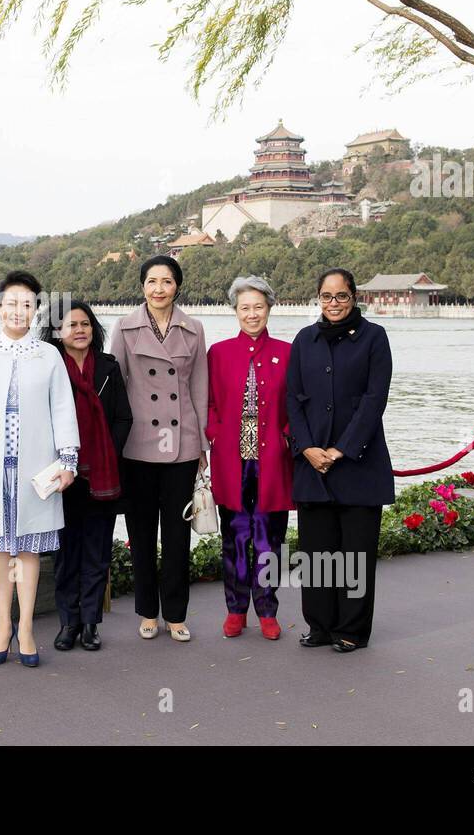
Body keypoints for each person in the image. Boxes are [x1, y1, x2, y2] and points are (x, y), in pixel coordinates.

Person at [0, 270, 79, 668]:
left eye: (27, 304)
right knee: (0, 548)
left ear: (36, 310)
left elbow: (62, 410)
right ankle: (2, 625)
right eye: (11, 303)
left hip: (35, 469)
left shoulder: (49, 355)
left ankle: (25, 627)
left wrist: (68, 460)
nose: (18, 311)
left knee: (26, 546)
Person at [286, 268, 395, 652]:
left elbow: (373, 400)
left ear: (354, 297)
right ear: (318, 298)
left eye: (341, 296)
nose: (334, 304)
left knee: (355, 553)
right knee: (316, 551)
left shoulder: (374, 338)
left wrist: (341, 449)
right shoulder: (304, 340)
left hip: (359, 463)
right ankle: (319, 625)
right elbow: (292, 400)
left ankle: (351, 629)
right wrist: (306, 447)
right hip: (311, 462)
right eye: (327, 297)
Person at [109, 255, 208, 642]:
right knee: (142, 533)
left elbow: (199, 387)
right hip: (138, 446)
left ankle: (177, 615)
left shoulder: (194, 329)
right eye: (152, 281)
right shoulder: (125, 327)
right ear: (142, 286)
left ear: (177, 286)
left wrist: (201, 443)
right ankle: (148, 611)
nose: (159, 288)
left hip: (181, 446)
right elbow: (115, 385)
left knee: (178, 536)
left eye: (166, 281)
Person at [207, 276, 292, 641]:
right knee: (235, 536)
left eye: (258, 306)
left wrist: (288, 439)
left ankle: (268, 610)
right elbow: (208, 402)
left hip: (273, 459)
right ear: (235, 311)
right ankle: (236, 610)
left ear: (269, 308)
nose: (252, 314)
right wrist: (214, 434)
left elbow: (296, 407)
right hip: (232, 459)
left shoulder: (288, 352)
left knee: (270, 538)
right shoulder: (219, 353)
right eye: (245, 307)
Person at [43, 300, 131, 651]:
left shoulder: (108, 367)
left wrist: (109, 448)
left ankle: (92, 623)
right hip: (62, 476)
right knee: (66, 553)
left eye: (85, 324)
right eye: (71, 324)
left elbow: (125, 417)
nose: (79, 330)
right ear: (57, 332)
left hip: (102, 476)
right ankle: (69, 622)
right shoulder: (50, 369)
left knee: (96, 552)